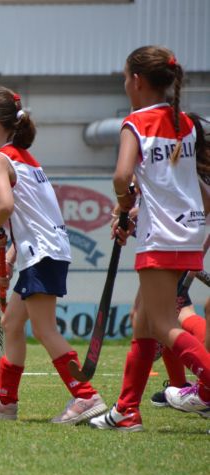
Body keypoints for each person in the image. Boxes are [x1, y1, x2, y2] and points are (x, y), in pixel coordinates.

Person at [0, 87, 107, 423]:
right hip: (44, 252)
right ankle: (5, 399)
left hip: (42, 254)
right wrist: (12, 255)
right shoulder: (28, 160)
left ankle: (85, 396)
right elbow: (33, 217)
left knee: (44, 330)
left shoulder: (0, 160)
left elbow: (5, 207)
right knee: (11, 323)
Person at [89, 46, 210, 431]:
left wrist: (124, 206)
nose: (125, 84)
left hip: (164, 236)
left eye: (125, 77)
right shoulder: (187, 124)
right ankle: (127, 410)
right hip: (189, 230)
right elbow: (190, 189)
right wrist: (135, 212)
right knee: (143, 321)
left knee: (161, 323)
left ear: (136, 81)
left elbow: (121, 176)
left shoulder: (136, 122)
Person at [161, 112, 210, 416]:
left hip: (178, 245)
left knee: (164, 318)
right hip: (185, 246)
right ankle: (185, 388)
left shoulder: (189, 168)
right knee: (183, 313)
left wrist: (197, 254)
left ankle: (200, 388)